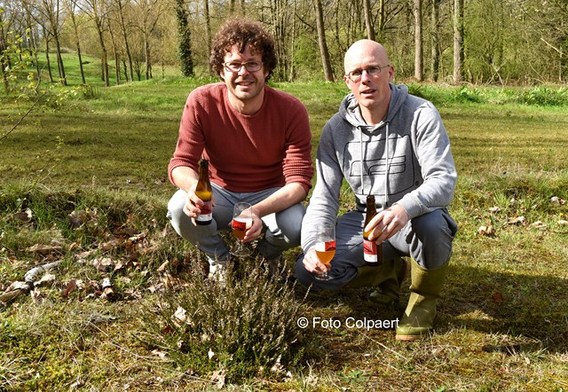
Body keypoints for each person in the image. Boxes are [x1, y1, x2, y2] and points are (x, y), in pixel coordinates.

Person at [295, 39, 458, 341]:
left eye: (373, 69)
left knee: (433, 225)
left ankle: (423, 301)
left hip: (414, 217)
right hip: (365, 219)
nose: (365, 79)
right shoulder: (335, 129)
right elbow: (324, 195)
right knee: (310, 273)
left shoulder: (421, 113)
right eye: (356, 73)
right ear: (347, 81)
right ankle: (387, 272)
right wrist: (314, 244)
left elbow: (443, 179)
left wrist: (404, 208)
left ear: (390, 72)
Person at [167, 19, 313, 281]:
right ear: (221, 71)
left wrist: (256, 211)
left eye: (253, 63)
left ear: (266, 69)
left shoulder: (291, 110)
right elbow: (180, 163)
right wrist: (193, 190)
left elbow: (299, 183)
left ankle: (265, 256)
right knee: (179, 208)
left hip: (271, 193)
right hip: (219, 192)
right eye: (234, 64)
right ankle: (220, 259)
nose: (243, 72)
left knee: (298, 225)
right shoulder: (201, 102)